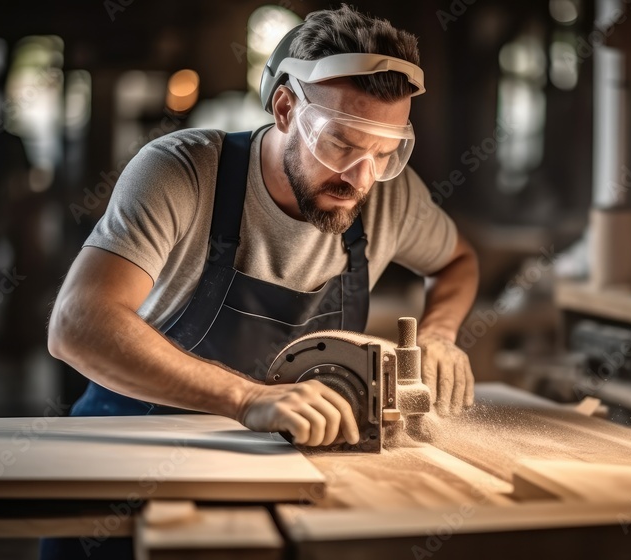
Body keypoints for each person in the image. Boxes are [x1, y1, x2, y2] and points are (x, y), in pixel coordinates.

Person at [43, 6, 478, 556]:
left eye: (384, 154)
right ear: (284, 107)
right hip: (128, 461)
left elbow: (458, 262)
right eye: (341, 144)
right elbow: (77, 325)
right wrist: (248, 398)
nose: (360, 179)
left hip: (272, 474)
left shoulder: (390, 194)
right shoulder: (183, 172)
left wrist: (440, 334)